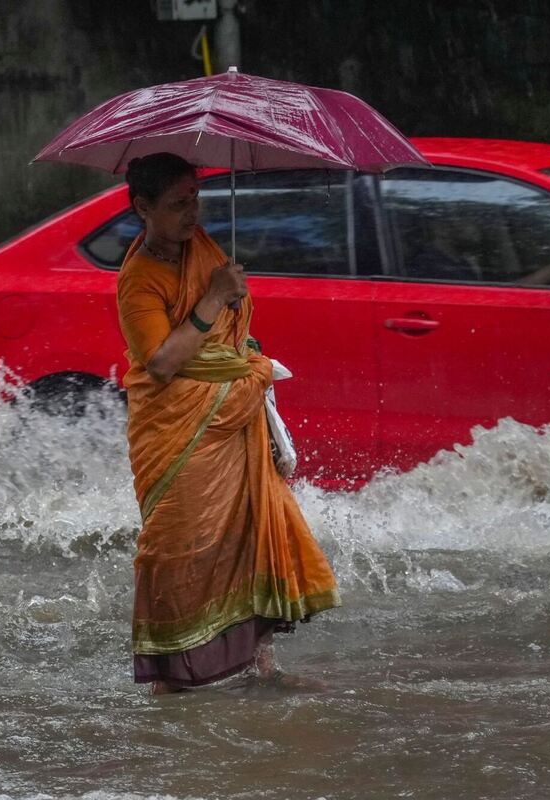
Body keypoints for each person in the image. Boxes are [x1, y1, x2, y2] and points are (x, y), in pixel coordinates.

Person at [116, 152, 341, 694]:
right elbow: (163, 363)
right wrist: (216, 297)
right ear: (143, 208)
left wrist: (231, 307)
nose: (192, 213)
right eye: (177, 204)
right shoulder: (139, 278)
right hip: (178, 426)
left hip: (234, 410)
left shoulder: (204, 250)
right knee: (176, 547)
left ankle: (263, 666)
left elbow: (231, 335)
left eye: (195, 198)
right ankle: (170, 682)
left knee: (248, 530)